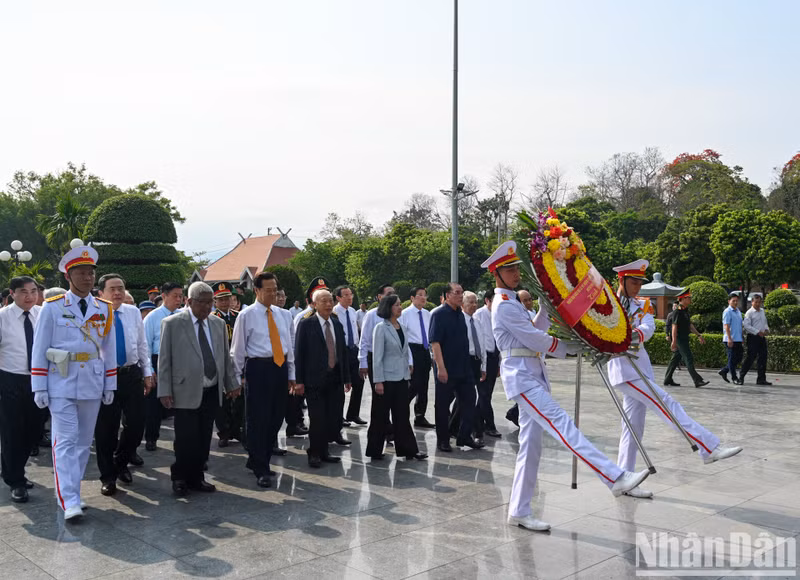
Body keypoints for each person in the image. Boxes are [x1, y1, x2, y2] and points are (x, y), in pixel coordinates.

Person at [484, 241, 649, 532]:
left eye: (514, 268)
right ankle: (613, 476)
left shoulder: (513, 303)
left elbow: (536, 328)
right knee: (563, 425)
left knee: (530, 447)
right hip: (522, 378)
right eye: (508, 270)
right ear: (496, 274)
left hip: (533, 375)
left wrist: (548, 307)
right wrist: (572, 347)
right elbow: (534, 340)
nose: (514, 274)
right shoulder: (504, 306)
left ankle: (519, 510)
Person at [608, 260, 743, 499]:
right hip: (623, 370)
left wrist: (632, 335)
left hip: (640, 368)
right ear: (622, 281)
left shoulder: (643, 304)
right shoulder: (608, 305)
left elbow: (648, 327)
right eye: (634, 282)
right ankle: (708, 447)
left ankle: (624, 479)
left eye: (641, 282)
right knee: (668, 404)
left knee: (632, 428)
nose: (638, 286)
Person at [30, 244, 117, 521]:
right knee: (65, 441)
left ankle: (72, 492)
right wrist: (39, 385)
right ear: (68, 277)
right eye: (81, 272)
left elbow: (108, 348)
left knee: (82, 442)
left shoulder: (103, 308)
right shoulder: (52, 308)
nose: (87, 278)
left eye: (91, 272)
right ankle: (69, 499)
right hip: (62, 381)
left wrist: (110, 384)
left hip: (91, 381)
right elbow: (39, 347)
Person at [158, 282, 239, 496]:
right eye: (202, 303)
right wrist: (164, 390)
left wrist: (231, 383)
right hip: (185, 389)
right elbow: (164, 360)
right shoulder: (173, 323)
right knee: (185, 438)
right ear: (189, 301)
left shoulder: (217, 324)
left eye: (210, 302)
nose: (207, 307)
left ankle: (197, 477)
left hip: (211, 389)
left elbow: (224, 357)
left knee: (204, 437)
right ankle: (179, 477)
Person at [230, 271, 295, 488]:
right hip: (258, 368)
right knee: (258, 419)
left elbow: (290, 347)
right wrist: (236, 379)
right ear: (256, 290)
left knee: (276, 418)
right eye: (268, 291)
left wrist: (292, 374)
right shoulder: (246, 315)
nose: (273, 295)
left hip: (280, 367)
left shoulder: (284, 315)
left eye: (275, 290)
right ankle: (262, 467)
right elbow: (237, 350)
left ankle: (256, 458)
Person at [94, 274, 154, 496]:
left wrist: (147, 372)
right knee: (106, 430)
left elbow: (141, 344)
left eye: (121, 288)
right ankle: (108, 476)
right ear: (101, 293)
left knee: (137, 424)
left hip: (131, 373)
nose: (118, 292)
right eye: (113, 289)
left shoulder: (132, 312)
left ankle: (121, 461)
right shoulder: (94, 313)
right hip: (103, 376)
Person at [294, 289, 352, 467]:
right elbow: (299, 354)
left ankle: (325, 451)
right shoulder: (306, 324)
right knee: (317, 418)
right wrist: (299, 381)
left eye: (330, 301)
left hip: (334, 379)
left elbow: (342, 352)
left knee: (331, 417)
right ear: (314, 304)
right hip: (314, 380)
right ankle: (314, 452)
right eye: (324, 301)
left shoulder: (336, 323)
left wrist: (346, 378)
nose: (328, 304)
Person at [367, 294, 427, 461]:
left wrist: (408, 372)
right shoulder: (381, 328)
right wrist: (378, 380)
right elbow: (377, 357)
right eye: (397, 305)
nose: (400, 308)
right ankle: (375, 450)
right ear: (388, 308)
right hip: (385, 379)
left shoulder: (401, 326)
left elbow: (404, 352)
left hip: (401, 378)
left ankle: (409, 450)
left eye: (400, 305)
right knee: (380, 416)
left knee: (402, 415)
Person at [0, 277, 42, 503]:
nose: (29, 296)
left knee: (34, 432)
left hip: (39, 381)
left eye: (33, 291)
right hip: (10, 379)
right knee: (12, 432)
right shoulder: (2, 318)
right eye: (24, 292)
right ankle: (15, 480)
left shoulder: (43, 314)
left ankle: (11, 467)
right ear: (12, 293)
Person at [429, 283, 482, 451]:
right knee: (443, 405)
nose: (460, 296)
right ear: (447, 295)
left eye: (461, 292)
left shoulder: (460, 314)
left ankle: (464, 436)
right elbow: (435, 343)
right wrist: (440, 368)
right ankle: (443, 440)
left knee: (469, 400)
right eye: (457, 293)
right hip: (447, 368)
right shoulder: (438, 314)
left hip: (464, 367)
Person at [142, 282, 183, 450]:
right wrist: (150, 370)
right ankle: (151, 438)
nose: (179, 299)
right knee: (154, 404)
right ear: (164, 296)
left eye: (181, 296)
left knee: (181, 404)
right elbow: (145, 344)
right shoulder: (152, 317)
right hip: (157, 360)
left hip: (180, 362)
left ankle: (181, 441)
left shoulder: (184, 315)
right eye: (175, 296)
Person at [210, 282, 243, 448]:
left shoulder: (238, 316)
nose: (224, 302)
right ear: (215, 301)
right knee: (221, 401)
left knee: (238, 399)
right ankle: (223, 432)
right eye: (220, 299)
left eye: (227, 298)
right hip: (219, 363)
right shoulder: (212, 318)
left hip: (236, 361)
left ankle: (236, 429)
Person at [399, 287, 434, 428]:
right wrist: (409, 360)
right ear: (412, 298)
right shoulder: (405, 314)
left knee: (424, 385)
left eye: (425, 295)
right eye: (419, 295)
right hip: (412, 350)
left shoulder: (427, 314)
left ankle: (420, 416)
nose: (423, 298)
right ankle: (400, 411)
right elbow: (404, 338)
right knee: (414, 385)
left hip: (425, 350)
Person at [333, 285, 367, 425]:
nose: (349, 297)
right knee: (339, 385)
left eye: (350, 294)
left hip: (354, 350)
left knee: (359, 382)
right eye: (346, 295)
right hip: (340, 352)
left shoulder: (353, 311)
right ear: (338, 298)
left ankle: (353, 414)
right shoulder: (334, 312)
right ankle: (338, 417)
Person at [663, 289, 709, 387]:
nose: (690, 299)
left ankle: (668, 379)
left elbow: (690, 325)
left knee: (675, 359)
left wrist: (698, 335)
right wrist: (674, 341)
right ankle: (697, 380)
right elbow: (674, 327)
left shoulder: (685, 311)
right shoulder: (677, 312)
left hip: (684, 338)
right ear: (683, 299)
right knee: (688, 358)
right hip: (679, 339)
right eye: (689, 298)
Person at [474, 287, 501, 439]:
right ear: (487, 301)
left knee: (487, 395)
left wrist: (499, 364)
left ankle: (475, 422)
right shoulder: (479, 315)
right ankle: (489, 426)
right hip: (482, 359)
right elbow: (480, 341)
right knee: (483, 393)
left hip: (494, 358)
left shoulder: (499, 315)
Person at [738, 294, 771, 385]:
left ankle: (761, 379)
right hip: (753, 337)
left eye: (759, 302)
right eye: (755, 302)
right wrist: (757, 332)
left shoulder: (762, 311)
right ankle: (741, 376)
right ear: (752, 302)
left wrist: (766, 329)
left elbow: (764, 322)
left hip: (762, 337)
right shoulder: (749, 313)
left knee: (763, 357)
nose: (757, 304)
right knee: (750, 358)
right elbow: (746, 326)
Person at [719, 294, 744, 384]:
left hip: (738, 339)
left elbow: (740, 326)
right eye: (733, 300)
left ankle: (724, 370)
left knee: (739, 358)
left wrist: (742, 337)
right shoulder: (727, 311)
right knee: (732, 359)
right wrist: (729, 338)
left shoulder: (738, 311)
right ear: (729, 301)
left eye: (737, 300)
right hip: (730, 339)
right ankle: (734, 378)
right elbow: (726, 325)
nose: (735, 302)